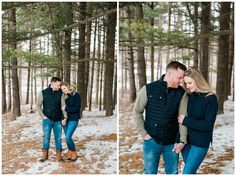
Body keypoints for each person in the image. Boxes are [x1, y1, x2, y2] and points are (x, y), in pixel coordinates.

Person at [133, 61, 187, 174]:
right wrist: (144, 134)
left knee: (172, 173)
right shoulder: (149, 89)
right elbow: (137, 111)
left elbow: (182, 118)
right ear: (169, 73)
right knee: (149, 172)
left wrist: (181, 140)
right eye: (179, 77)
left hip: (172, 143)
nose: (181, 81)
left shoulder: (181, 93)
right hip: (152, 140)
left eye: (182, 78)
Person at [177, 68, 218, 174]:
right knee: (191, 172)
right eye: (186, 83)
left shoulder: (211, 98)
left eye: (190, 83)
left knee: (187, 173)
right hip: (187, 142)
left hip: (200, 143)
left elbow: (208, 125)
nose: (188, 86)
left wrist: (185, 120)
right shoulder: (190, 96)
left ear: (198, 81)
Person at [37, 77, 66, 162]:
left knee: (58, 138)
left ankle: (59, 156)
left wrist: (64, 117)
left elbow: (63, 106)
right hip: (47, 120)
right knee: (46, 137)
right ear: (53, 83)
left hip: (58, 120)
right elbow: (38, 105)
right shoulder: (43, 93)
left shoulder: (61, 93)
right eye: (58, 85)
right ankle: (45, 155)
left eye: (60, 85)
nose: (60, 86)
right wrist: (43, 116)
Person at [61, 82, 81, 162]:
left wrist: (66, 108)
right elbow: (62, 110)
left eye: (65, 88)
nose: (63, 90)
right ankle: (70, 153)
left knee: (68, 137)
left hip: (74, 119)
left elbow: (77, 109)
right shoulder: (64, 97)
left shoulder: (76, 95)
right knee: (67, 138)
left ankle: (74, 153)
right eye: (62, 89)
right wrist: (63, 118)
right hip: (65, 120)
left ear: (68, 87)